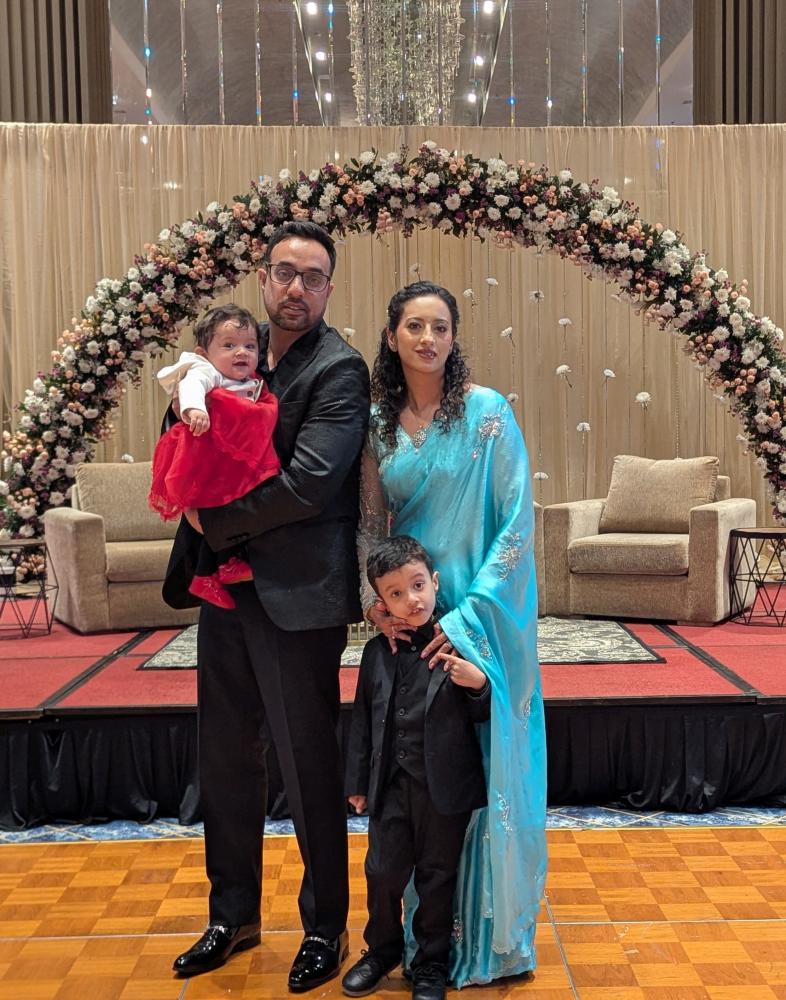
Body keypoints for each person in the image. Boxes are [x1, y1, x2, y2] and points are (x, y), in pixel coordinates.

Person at [163, 220, 371, 992]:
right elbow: (182, 422)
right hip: (225, 590)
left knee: (307, 763)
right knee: (225, 758)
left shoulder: (339, 369)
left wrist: (212, 519)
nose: (295, 288)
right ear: (262, 277)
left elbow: (309, 483)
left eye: (312, 277)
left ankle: (324, 927)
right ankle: (233, 915)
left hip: (298, 596)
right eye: (284, 272)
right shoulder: (234, 350)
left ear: (328, 289)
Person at [358, 281, 547, 988]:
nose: (427, 338)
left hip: (479, 618)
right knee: (419, 782)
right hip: (412, 612)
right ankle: (409, 942)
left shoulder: (488, 412)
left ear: (454, 336)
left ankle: (484, 940)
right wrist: (377, 601)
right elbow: (370, 525)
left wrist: (468, 620)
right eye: (414, 326)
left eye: (440, 326)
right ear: (392, 336)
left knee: (475, 766)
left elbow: (516, 522)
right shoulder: (378, 423)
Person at [343, 535, 491, 1000]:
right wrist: (357, 783)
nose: (412, 600)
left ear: (435, 582)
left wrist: (478, 684)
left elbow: (487, 715)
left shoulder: (459, 644)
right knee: (381, 872)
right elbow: (362, 722)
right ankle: (382, 950)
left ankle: (431, 962)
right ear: (381, 604)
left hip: (445, 791)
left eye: (418, 585)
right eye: (396, 593)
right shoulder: (375, 654)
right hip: (390, 787)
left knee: (436, 877)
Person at [149, 304, 280, 609]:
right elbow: (191, 385)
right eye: (229, 346)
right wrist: (194, 409)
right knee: (213, 510)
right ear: (203, 353)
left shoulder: (251, 380)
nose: (241, 352)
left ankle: (219, 568)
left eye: (250, 346)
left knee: (232, 509)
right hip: (206, 460)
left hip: (232, 462)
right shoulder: (206, 371)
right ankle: (207, 573)